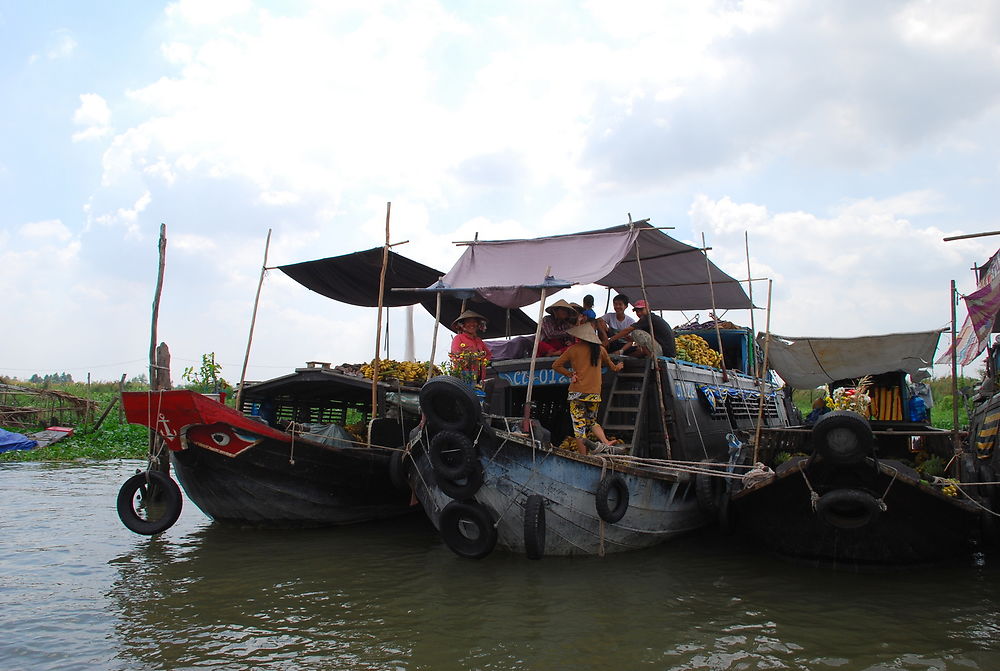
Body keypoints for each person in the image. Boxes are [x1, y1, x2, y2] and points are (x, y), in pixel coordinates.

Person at [552, 324, 624, 455]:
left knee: (579, 427)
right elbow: (613, 368)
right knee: (592, 422)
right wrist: (619, 366)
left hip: (577, 393)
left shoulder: (573, 349)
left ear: (579, 337)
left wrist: (570, 374)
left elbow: (556, 365)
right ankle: (605, 442)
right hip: (594, 394)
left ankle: (583, 457)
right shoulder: (600, 350)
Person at [609, 299, 677, 358]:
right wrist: (632, 339)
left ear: (648, 309)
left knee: (636, 333)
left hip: (664, 352)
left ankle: (652, 359)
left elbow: (628, 330)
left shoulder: (648, 318)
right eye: (637, 311)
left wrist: (609, 340)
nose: (639, 313)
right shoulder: (649, 320)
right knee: (638, 348)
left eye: (641, 310)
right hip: (664, 350)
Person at [450, 309, 493, 382]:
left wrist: (482, 362)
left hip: (480, 377)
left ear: (478, 325)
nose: (472, 324)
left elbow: (488, 355)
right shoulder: (458, 338)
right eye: (468, 322)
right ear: (462, 325)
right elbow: (456, 356)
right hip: (464, 377)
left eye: (474, 322)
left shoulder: (479, 340)